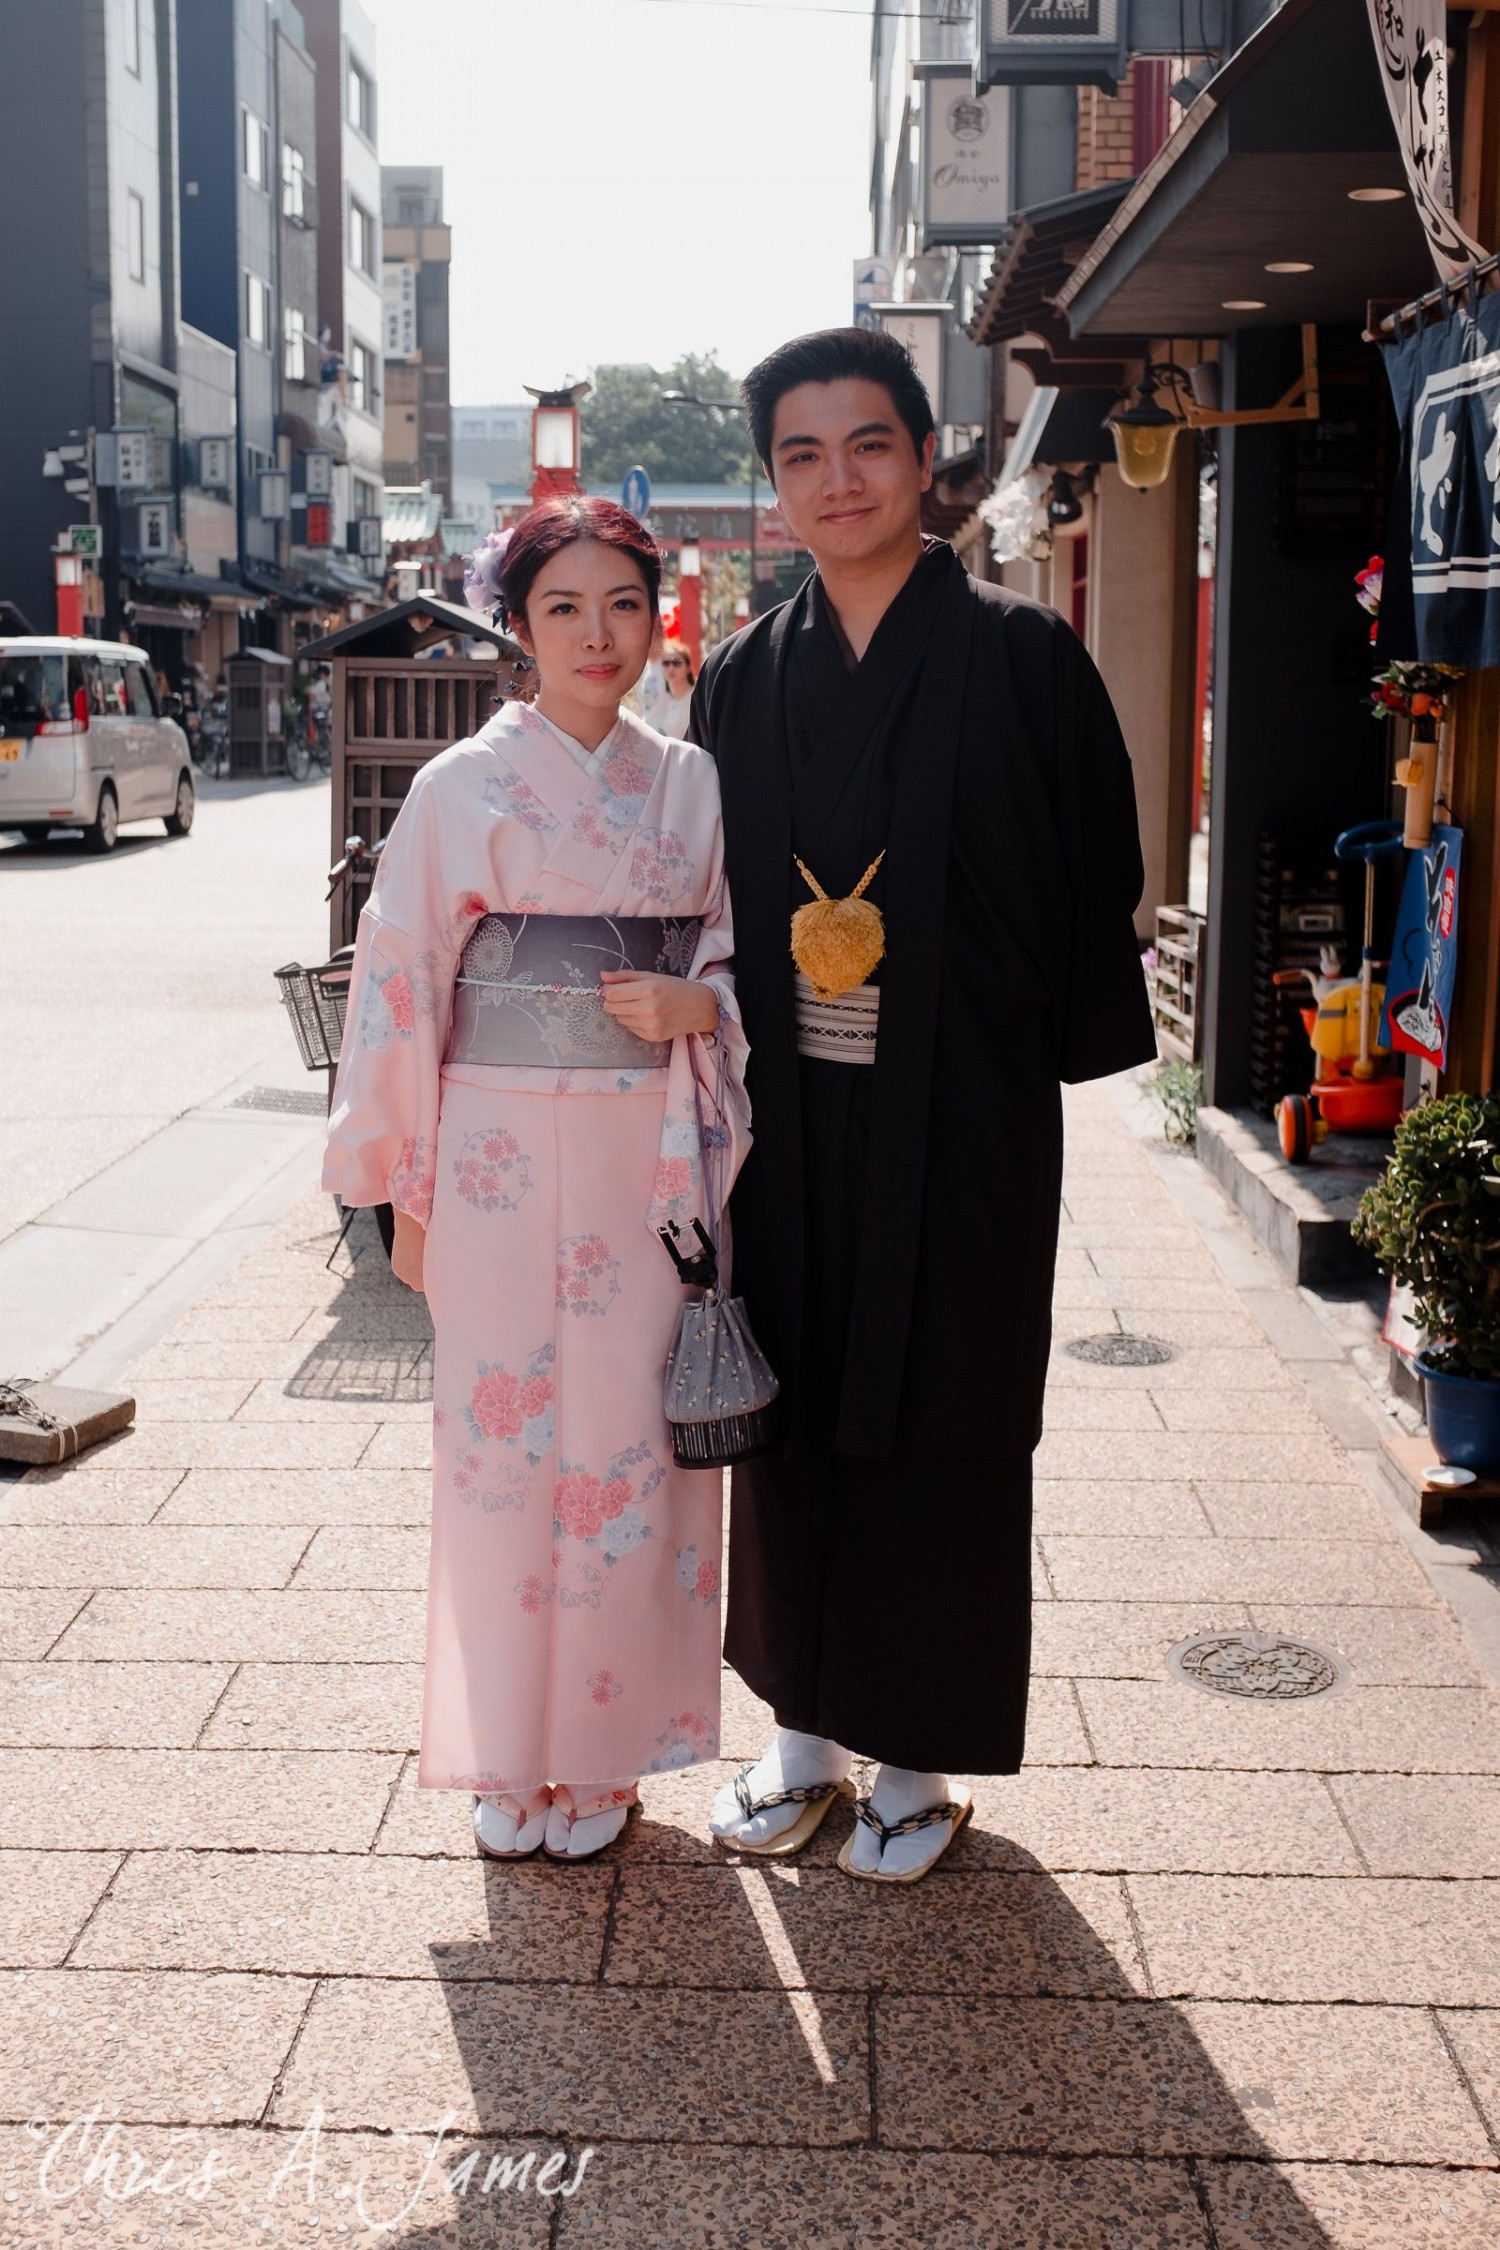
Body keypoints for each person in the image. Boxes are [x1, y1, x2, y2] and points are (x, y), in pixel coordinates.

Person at [689, 327, 1155, 1880]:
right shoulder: (744, 677)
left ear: (926, 457)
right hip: (789, 1118)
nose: (838, 479)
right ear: (773, 485)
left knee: (946, 1410)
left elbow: (1098, 872)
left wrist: (1030, 1038)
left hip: (960, 1115)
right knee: (793, 1404)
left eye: (868, 444)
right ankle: (803, 1730)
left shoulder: (1024, 657)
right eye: (803, 455)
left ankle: (917, 1752)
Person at [323, 495, 749, 1864]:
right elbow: (399, 977)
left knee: (631, 1450)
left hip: (646, 1156)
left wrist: (702, 1009)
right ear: (519, 627)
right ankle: (510, 1752)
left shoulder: (690, 782)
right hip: (496, 1145)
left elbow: (733, 957)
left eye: (622, 604)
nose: (597, 633)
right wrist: (397, 1185)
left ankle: (607, 1757)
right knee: (503, 1453)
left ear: (657, 616)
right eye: (563, 607)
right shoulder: (460, 790)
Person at [654, 642, 695, 738]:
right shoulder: (661, 700)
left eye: (677, 663)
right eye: (666, 663)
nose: (671, 668)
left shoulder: (696, 698)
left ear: (688, 667)